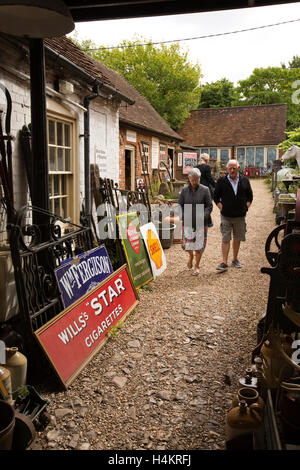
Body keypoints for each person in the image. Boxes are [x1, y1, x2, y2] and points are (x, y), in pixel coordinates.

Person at [213, 159, 253, 272]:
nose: (232, 170)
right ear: (226, 169)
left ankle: (235, 259)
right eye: (230, 168)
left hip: (240, 216)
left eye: (234, 168)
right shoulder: (221, 181)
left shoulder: (245, 180)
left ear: (238, 168)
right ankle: (224, 262)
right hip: (226, 216)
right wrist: (221, 207)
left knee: (237, 238)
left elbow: (250, 196)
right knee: (225, 238)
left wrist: (246, 207)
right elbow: (215, 197)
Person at [178, 167, 213, 276]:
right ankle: (191, 256)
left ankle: (197, 265)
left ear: (199, 179)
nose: (194, 182)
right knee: (187, 245)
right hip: (188, 221)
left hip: (201, 223)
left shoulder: (205, 190)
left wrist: (205, 215)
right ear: (189, 179)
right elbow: (180, 205)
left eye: (196, 180)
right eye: (192, 180)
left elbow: (209, 206)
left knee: (199, 246)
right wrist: (182, 215)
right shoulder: (184, 190)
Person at [196, 153, 216, 227]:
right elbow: (209, 178)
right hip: (205, 188)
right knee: (208, 205)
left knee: (200, 205)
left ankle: (206, 221)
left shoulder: (196, 167)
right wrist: (216, 185)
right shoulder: (207, 167)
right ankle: (209, 222)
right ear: (206, 160)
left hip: (197, 188)